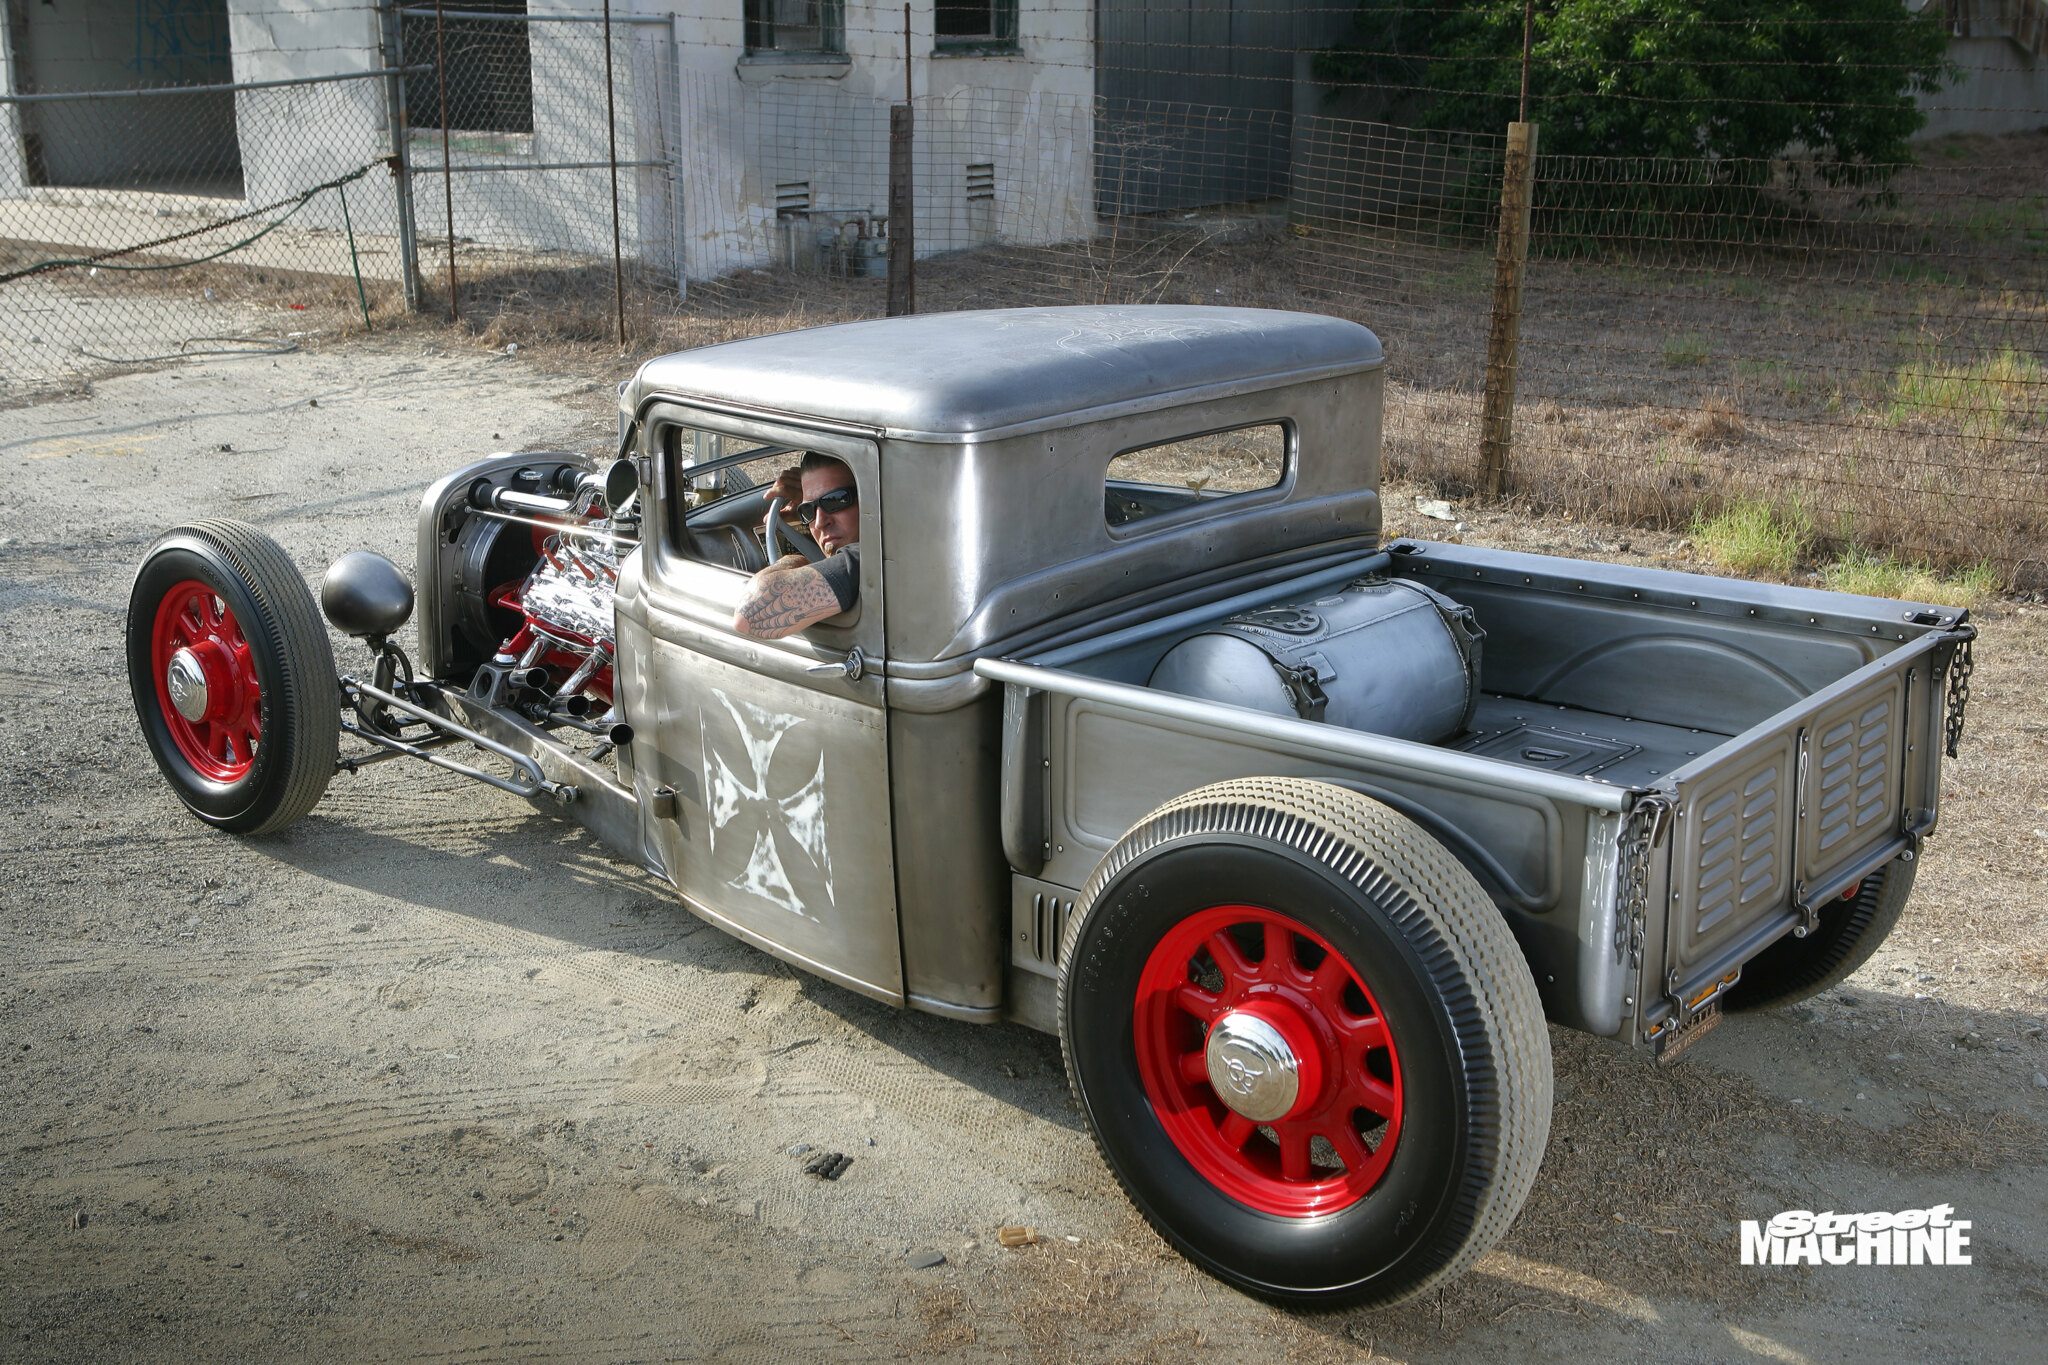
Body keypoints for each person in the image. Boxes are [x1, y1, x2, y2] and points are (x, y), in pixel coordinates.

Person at [731, 452, 860, 639]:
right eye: (807, 510)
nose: (819, 522)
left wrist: (795, 562)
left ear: (872, 500)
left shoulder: (867, 561)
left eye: (835, 500)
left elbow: (748, 617)